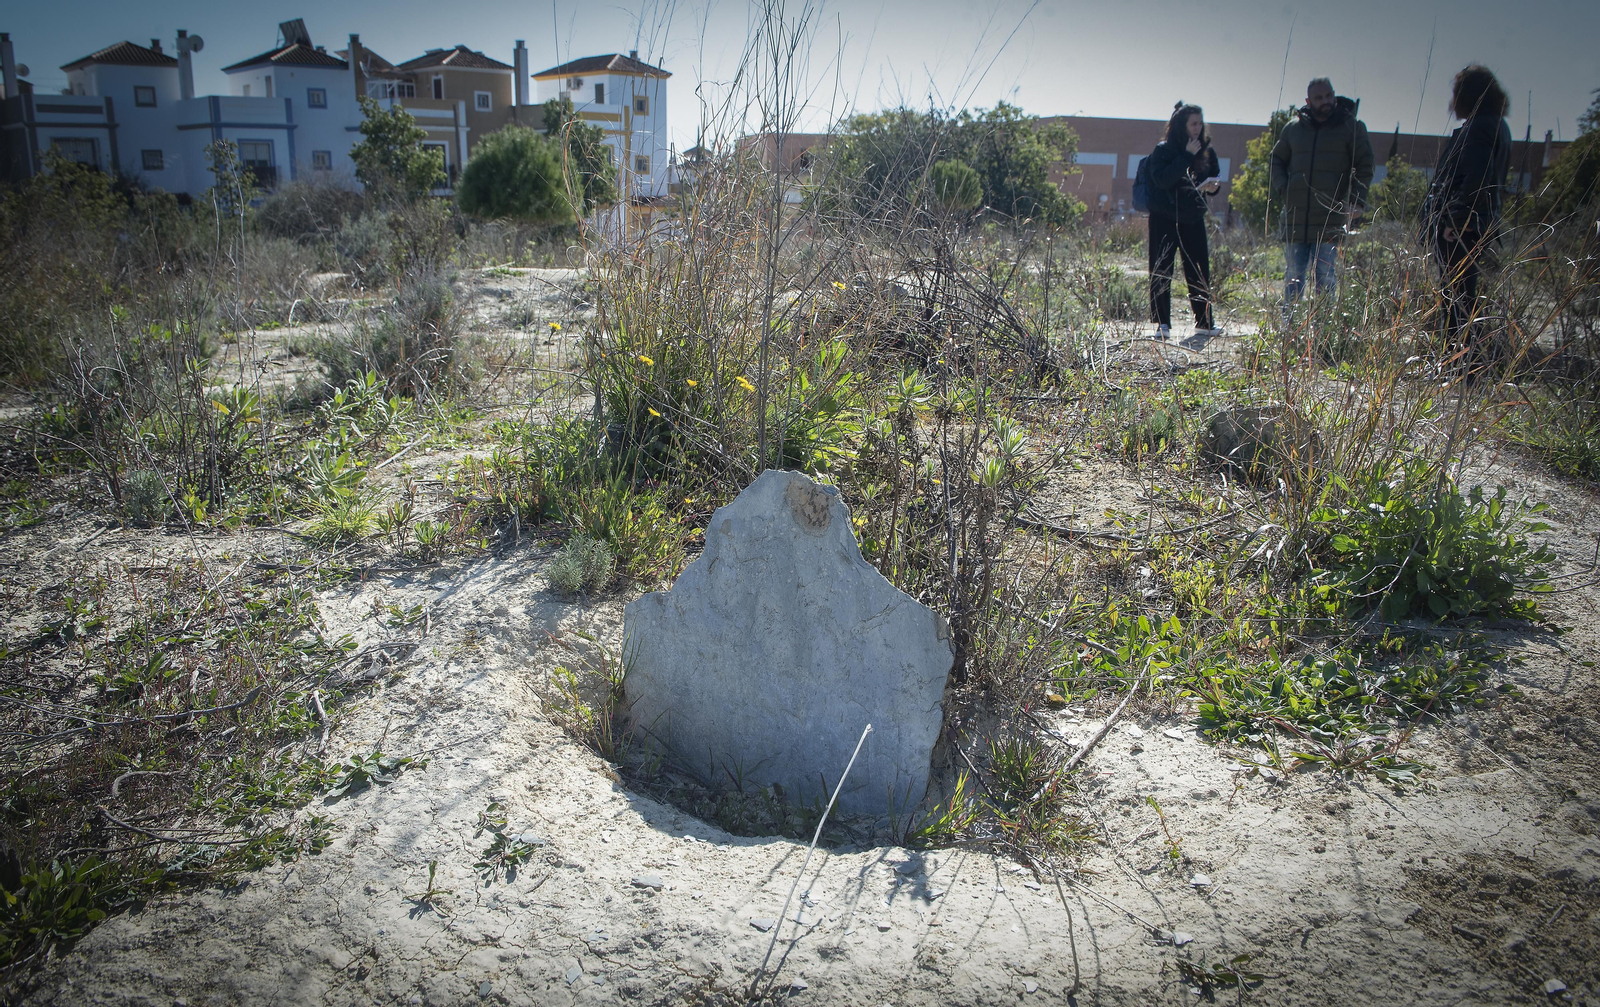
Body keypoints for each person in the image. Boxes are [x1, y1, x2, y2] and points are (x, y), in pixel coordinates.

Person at [1270, 77, 1375, 324]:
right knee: (1293, 277)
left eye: (1329, 95)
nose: (1325, 101)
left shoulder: (1351, 127)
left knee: (1326, 277)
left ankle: (1323, 334)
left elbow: (1365, 165)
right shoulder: (1293, 129)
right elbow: (1276, 160)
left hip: (1331, 219)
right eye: (1319, 98)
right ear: (1308, 101)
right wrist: (1284, 188)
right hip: (1296, 218)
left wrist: (1357, 201)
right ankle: (1289, 333)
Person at [1423, 64, 1512, 355]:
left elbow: (1477, 177)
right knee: (1461, 296)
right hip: (1474, 224)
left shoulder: (1479, 128)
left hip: (1462, 227)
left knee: (1457, 299)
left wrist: (1457, 219)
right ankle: (1460, 362)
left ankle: (1460, 364)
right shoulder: (1496, 125)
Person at [1146, 102, 1222, 339]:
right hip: (1164, 218)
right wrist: (1187, 155)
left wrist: (1213, 186)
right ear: (1182, 125)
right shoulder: (1163, 150)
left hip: (1193, 218)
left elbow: (1214, 176)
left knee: (1199, 270)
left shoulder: (1207, 151)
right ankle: (1162, 324)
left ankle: (1204, 322)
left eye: (1200, 123)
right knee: (1162, 269)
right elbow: (1162, 180)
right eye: (1193, 124)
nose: (1197, 128)